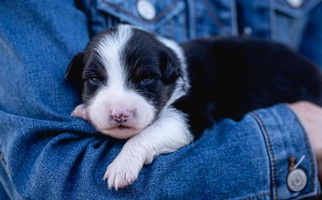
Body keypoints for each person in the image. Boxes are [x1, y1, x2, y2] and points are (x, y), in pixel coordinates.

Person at [0, 0, 322, 199]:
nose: (120, 108)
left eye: (145, 82)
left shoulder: (189, 81)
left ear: (171, 76)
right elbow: (54, 175)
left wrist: (139, 148)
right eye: (97, 81)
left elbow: (183, 124)